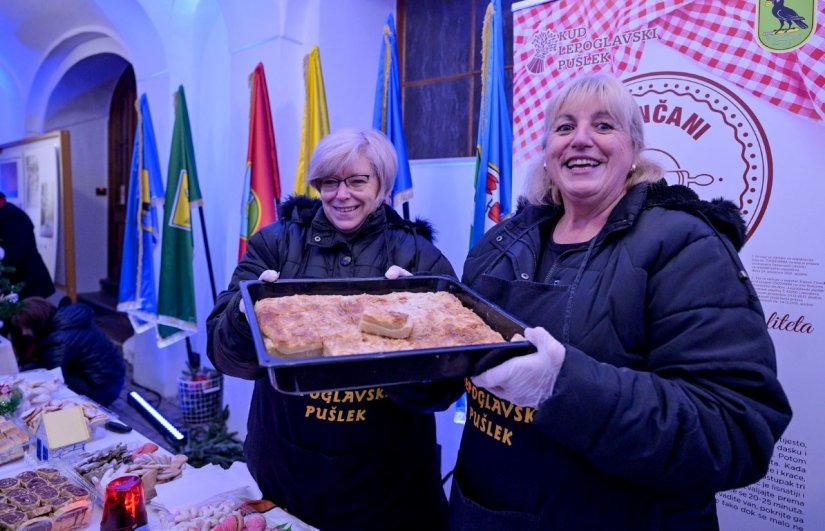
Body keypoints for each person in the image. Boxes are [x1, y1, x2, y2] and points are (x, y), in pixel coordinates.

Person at [451, 73, 792, 530]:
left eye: (605, 126)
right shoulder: (501, 242)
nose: (582, 140)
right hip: (484, 514)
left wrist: (560, 386)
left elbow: (734, 428)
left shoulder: (685, 244)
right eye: (565, 127)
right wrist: (406, 334)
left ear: (634, 150)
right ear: (549, 151)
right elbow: (458, 371)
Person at [207, 128, 455, 530]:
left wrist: (409, 334)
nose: (342, 195)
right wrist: (244, 314)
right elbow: (224, 357)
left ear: (383, 185)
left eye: (358, 181)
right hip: (286, 469)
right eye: (330, 181)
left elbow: (444, 388)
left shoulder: (419, 257)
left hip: (386, 483)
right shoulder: (274, 244)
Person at [9, 297, 126, 407]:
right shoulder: (68, 321)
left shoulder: (59, 339)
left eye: (26, 327)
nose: (24, 333)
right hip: (112, 380)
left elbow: (52, 376)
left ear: (37, 323)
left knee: (33, 372)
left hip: (102, 390)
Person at [0, 192, 55, 299]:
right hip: (16, 285)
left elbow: (14, 256)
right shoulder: (6, 214)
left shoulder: (12, 217)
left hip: (27, 286)